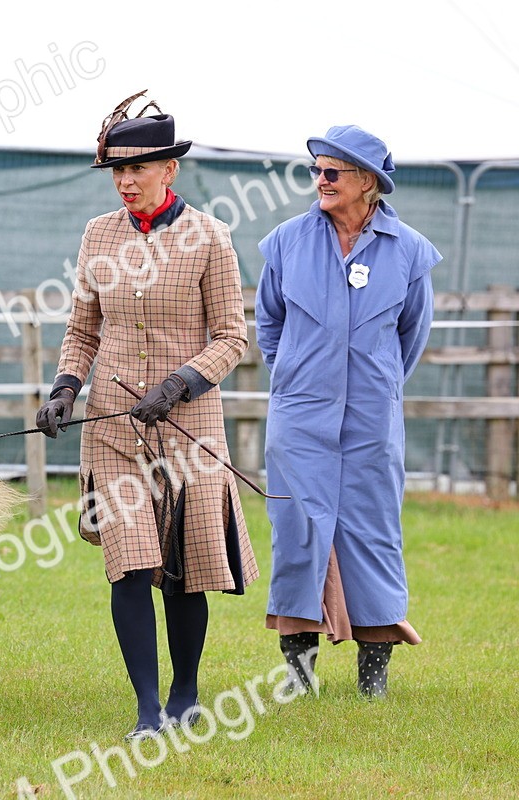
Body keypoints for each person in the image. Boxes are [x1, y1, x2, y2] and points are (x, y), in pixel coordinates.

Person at [36, 94, 258, 739]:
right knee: (129, 566)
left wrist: (180, 384)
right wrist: (64, 390)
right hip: (111, 429)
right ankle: (147, 709)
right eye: (118, 171)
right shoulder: (97, 235)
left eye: (139, 169)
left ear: (171, 170)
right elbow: (82, 329)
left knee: (182, 571)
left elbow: (231, 337)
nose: (127, 182)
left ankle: (186, 692)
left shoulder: (211, 236)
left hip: (189, 429)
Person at [256, 125, 440, 698]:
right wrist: (299, 379)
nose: (321, 181)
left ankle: (374, 676)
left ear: (367, 183)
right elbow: (269, 324)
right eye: (316, 171)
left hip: (370, 420)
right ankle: (299, 672)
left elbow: (411, 337)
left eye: (332, 172)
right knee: (297, 530)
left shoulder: (408, 249)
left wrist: (371, 389)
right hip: (300, 414)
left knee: (373, 530)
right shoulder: (286, 240)